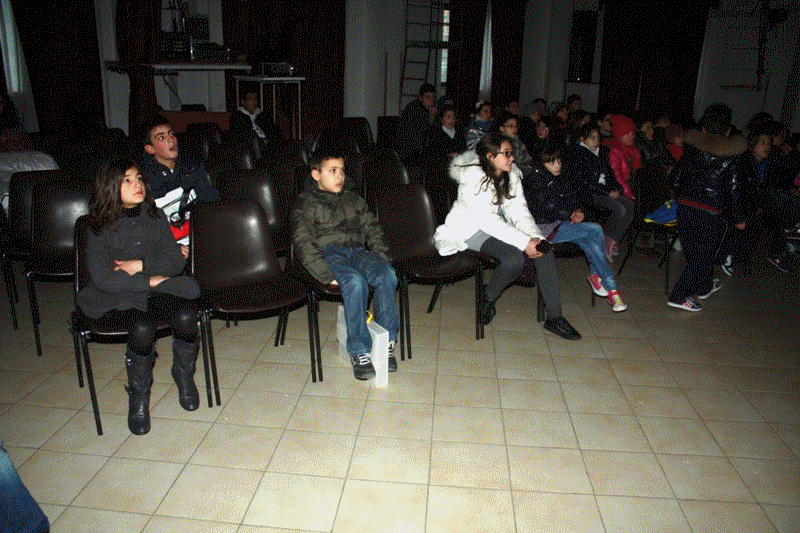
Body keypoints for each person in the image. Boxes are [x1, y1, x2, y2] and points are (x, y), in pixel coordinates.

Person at [77, 159, 202, 434]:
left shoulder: (155, 217)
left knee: (186, 315)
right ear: (110, 187)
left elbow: (174, 262)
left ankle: (183, 375)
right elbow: (103, 278)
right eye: (127, 180)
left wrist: (140, 265)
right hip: (118, 294)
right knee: (142, 328)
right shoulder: (98, 226)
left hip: (154, 289)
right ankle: (139, 396)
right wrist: (150, 278)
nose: (137, 185)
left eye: (138, 178)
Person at [433, 132, 582, 340]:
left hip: (497, 226)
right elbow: (485, 220)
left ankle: (555, 318)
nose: (512, 158)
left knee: (544, 250)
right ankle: (487, 298)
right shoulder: (472, 178)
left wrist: (535, 238)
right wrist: (524, 242)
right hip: (469, 230)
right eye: (507, 153)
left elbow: (519, 212)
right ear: (490, 156)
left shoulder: (510, 175)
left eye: (511, 153)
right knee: (514, 259)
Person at [292, 148, 399, 380]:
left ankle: (387, 343)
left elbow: (373, 228)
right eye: (332, 171)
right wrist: (324, 274)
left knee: (387, 274)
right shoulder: (306, 202)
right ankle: (359, 351)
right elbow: (302, 240)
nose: (340, 175)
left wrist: (381, 259)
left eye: (342, 170)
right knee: (355, 282)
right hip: (329, 253)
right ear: (316, 174)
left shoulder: (353, 198)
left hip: (357, 250)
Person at [524, 142, 627, 311]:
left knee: (591, 243)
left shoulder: (560, 176)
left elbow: (574, 198)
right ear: (541, 163)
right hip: (544, 229)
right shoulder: (535, 180)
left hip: (561, 224)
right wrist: (569, 213)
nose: (557, 165)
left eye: (559, 160)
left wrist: (578, 210)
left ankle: (611, 291)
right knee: (595, 229)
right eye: (551, 162)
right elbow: (546, 208)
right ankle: (605, 282)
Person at [667, 103, 747, 311]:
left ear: (703, 127)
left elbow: (675, 179)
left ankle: (704, 287)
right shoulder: (733, 156)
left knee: (698, 255)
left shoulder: (692, 149)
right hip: (711, 213)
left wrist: (686, 196)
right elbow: (735, 190)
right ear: (728, 130)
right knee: (701, 258)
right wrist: (739, 219)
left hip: (686, 209)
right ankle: (678, 296)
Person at [140, 115, 220, 256]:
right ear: (150, 149)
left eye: (172, 134)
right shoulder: (144, 180)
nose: (171, 140)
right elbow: (144, 226)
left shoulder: (193, 167)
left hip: (199, 238)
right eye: (161, 138)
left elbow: (211, 203)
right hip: (165, 246)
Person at [569, 123, 634, 259]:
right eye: (592, 138)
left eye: (598, 138)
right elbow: (585, 181)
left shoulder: (602, 152)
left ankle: (611, 240)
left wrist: (616, 188)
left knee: (630, 205)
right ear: (583, 139)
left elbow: (610, 174)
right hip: (588, 192)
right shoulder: (577, 153)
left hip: (604, 190)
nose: (596, 141)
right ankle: (602, 242)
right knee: (619, 209)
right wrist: (607, 192)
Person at [602, 114, 641, 200]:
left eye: (632, 133)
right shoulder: (614, 151)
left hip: (634, 188)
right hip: (621, 191)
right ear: (619, 134)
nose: (631, 136)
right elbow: (618, 177)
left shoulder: (634, 149)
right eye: (627, 133)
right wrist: (629, 194)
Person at [228, 82, 280, 146]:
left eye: (255, 98)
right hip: (250, 146)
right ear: (243, 102)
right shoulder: (237, 117)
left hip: (268, 145)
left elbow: (274, 132)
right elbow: (241, 137)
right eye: (250, 99)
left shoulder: (263, 116)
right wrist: (261, 141)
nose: (254, 102)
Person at [396, 83, 438, 162]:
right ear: (420, 97)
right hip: (409, 153)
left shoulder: (427, 109)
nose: (431, 101)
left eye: (433, 98)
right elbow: (420, 133)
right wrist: (431, 118)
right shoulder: (413, 109)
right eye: (427, 97)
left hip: (418, 151)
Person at [491, 110, 533, 177]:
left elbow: (527, 160)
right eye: (511, 126)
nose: (514, 129)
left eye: (516, 126)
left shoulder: (518, 142)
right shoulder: (498, 143)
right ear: (502, 128)